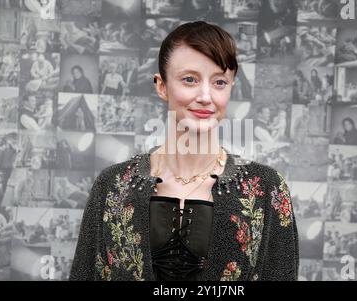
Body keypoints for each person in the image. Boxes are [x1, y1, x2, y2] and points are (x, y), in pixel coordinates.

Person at [70, 21, 298, 281]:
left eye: (219, 82)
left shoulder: (266, 187)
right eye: (189, 79)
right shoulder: (111, 186)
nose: (205, 95)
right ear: (161, 86)